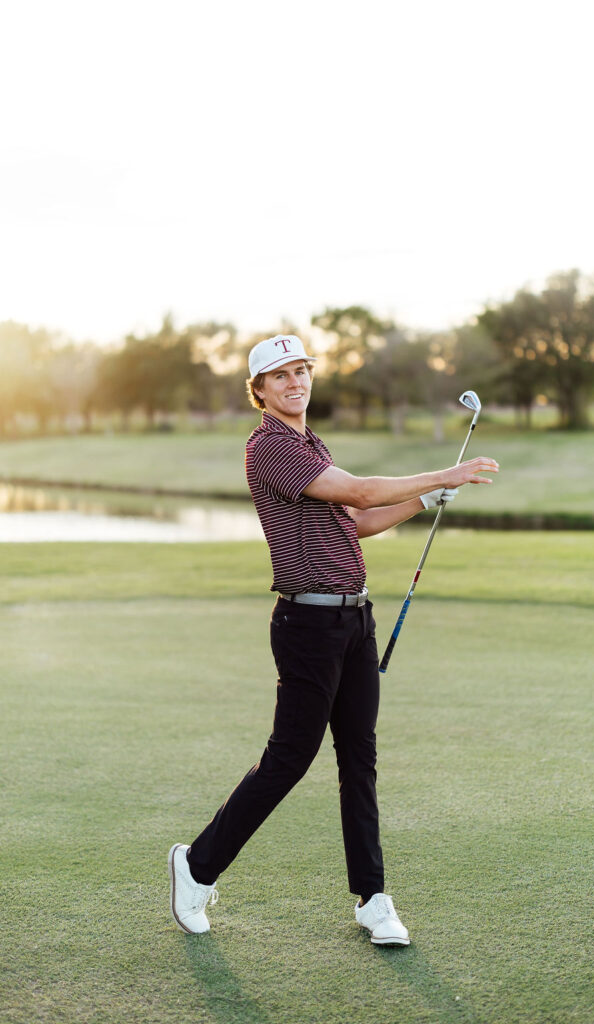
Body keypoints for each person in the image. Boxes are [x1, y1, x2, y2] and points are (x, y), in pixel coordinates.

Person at [169, 334, 499, 946]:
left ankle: (373, 899)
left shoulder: (309, 443)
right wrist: (446, 472)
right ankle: (195, 866)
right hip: (307, 627)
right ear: (260, 390)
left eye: (302, 371)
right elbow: (362, 490)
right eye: (281, 375)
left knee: (359, 759)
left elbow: (363, 520)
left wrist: (426, 498)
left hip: (354, 621)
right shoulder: (269, 448)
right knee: (289, 759)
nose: (296, 382)